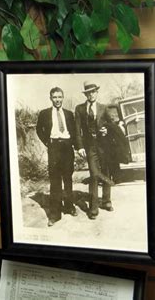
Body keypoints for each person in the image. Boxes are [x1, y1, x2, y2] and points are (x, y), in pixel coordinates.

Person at [36, 87, 77, 226]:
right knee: (55, 181)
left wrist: (77, 146)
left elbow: (75, 132)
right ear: (50, 98)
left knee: (68, 179)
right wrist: (47, 142)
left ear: (63, 98)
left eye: (60, 97)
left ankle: (70, 207)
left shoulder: (69, 114)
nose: (57, 100)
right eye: (55, 97)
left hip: (67, 148)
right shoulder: (44, 114)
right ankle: (55, 214)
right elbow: (38, 129)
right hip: (54, 147)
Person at [75, 81, 115, 220]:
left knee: (106, 173)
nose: (91, 94)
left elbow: (111, 125)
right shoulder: (79, 109)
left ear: (97, 92)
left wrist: (107, 129)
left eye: (93, 91)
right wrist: (79, 146)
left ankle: (106, 201)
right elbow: (77, 130)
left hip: (104, 146)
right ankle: (93, 208)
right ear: (85, 94)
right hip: (90, 147)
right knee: (94, 174)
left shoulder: (103, 108)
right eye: (88, 92)